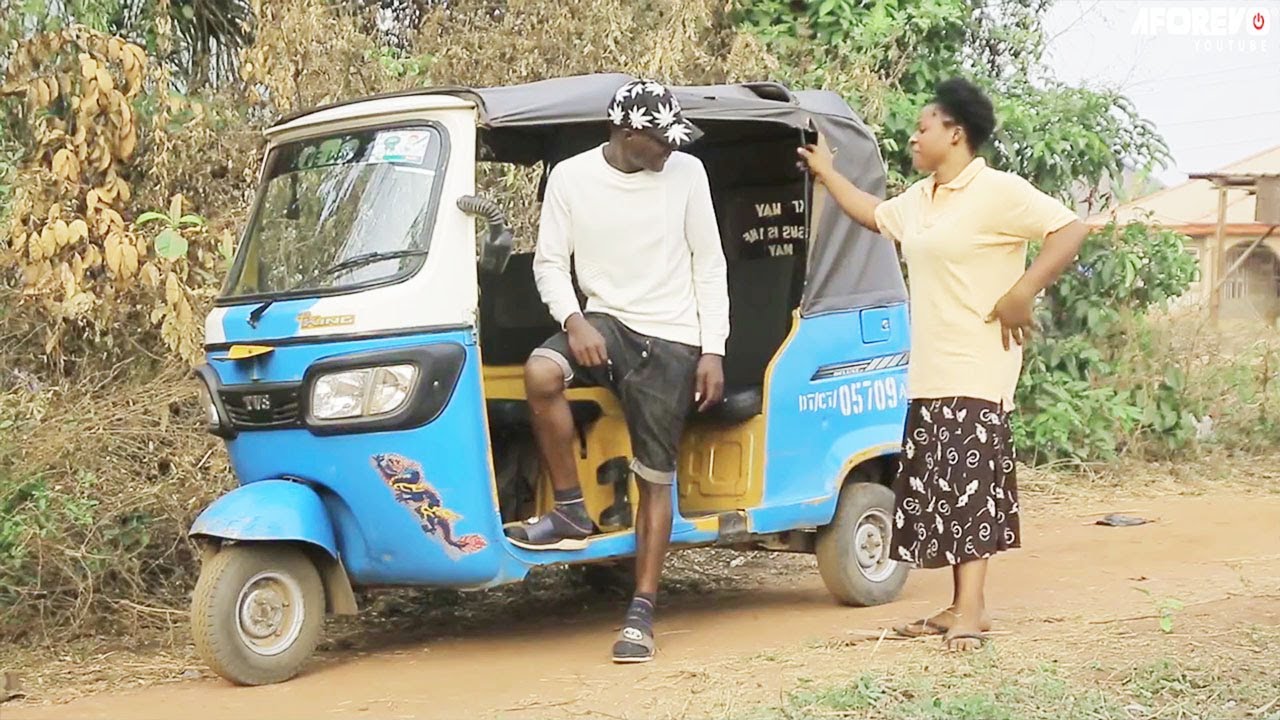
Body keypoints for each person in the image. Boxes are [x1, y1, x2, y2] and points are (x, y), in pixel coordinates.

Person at [797, 77, 1088, 652]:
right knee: (942, 486)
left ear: (956, 134)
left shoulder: (998, 191)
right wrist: (828, 174)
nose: (913, 136)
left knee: (969, 488)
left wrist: (1022, 292)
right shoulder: (922, 200)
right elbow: (873, 214)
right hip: (930, 367)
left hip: (978, 365)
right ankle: (960, 605)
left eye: (923, 126)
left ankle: (973, 610)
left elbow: (1070, 228)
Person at [505, 78, 729, 664]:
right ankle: (571, 512)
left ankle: (643, 609)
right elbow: (551, 264)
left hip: (674, 336)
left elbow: (709, 264)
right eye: (660, 140)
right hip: (605, 323)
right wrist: (574, 321)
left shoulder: (688, 174)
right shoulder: (572, 179)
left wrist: (713, 349)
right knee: (540, 372)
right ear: (628, 132)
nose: (670, 150)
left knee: (655, 475)